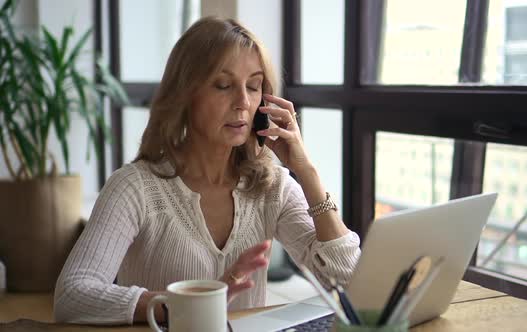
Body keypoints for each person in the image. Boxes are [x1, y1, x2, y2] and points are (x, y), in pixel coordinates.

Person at [54, 16, 361, 325]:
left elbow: (350, 284)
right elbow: (73, 295)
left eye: (254, 86)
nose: (243, 102)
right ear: (185, 94)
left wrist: (306, 171)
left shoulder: (272, 187)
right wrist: (193, 303)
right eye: (224, 86)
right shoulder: (135, 187)